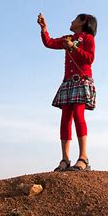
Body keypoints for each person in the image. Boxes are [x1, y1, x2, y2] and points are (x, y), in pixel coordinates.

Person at [37, 13, 97, 172]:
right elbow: (49, 43)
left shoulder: (88, 39)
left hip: (81, 80)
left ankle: (83, 158)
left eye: (75, 19)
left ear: (83, 22)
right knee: (65, 120)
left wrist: (73, 47)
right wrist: (44, 29)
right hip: (68, 82)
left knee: (78, 115)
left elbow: (89, 59)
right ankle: (65, 159)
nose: (71, 21)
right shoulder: (68, 38)